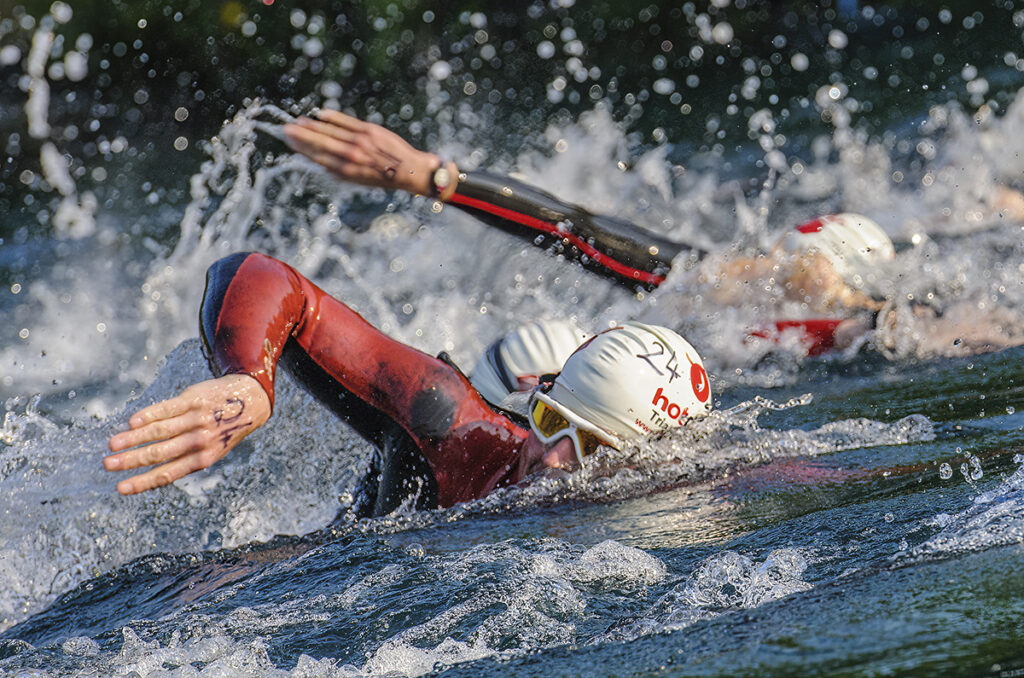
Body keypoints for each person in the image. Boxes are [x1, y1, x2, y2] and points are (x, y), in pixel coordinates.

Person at [282, 110, 1024, 359]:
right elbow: (579, 230)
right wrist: (433, 178)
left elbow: (968, 332)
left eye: (795, 272)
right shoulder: (717, 280)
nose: (763, 271)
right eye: (776, 262)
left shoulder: (874, 327)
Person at [105, 252, 713, 515]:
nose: (552, 462)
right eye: (552, 423)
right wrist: (249, 381)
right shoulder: (456, 431)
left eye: (591, 449)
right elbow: (257, 274)